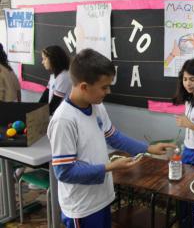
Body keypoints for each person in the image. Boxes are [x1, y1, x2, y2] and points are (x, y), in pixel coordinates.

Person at [47, 49, 175, 228]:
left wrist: (149, 149)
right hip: (82, 207)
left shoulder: (97, 107)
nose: (108, 91)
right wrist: (109, 167)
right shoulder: (64, 120)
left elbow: (114, 137)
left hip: (101, 198)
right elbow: (64, 171)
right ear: (84, 86)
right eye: (104, 87)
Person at [39, 45, 72, 115]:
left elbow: (55, 103)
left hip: (62, 115)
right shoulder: (53, 76)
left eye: (44, 59)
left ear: (53, 59)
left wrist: (39, 116)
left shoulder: (64, 76)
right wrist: (36, 109)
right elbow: (45, 96)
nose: (42, 62)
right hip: (55, 113)